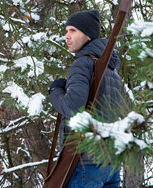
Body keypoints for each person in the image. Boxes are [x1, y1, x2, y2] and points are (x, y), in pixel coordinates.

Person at [48, 10, 122, 188]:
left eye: (73, 30)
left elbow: (73, 107)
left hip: (85, 164)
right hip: (110, 163)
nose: (66, 36)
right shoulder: (111, 69)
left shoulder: (83, 63)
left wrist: (55, 90)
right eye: (66, 30)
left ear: (87, 35)